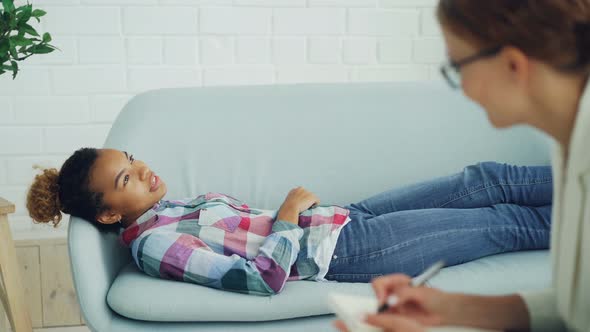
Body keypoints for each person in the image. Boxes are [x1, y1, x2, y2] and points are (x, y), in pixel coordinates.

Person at [336, 1, 590, 331]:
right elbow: (577, 309)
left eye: (457, 67)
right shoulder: (568, 146)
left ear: (513, 64)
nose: (463, 89)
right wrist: (452, 310)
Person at [26, 147, 551, 296]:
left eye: (131, 159)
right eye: (126, 179)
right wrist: (285, 216)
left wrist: (301, 215)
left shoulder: (167, 209)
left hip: (346, 216)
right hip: (345, 252)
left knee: (485, 179)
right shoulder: (155, 247)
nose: (141, 169)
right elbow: (259, 279)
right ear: (110, 214)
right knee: (501, 221)